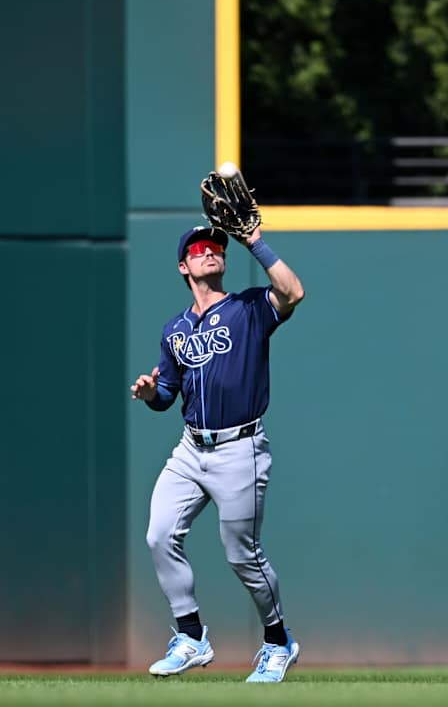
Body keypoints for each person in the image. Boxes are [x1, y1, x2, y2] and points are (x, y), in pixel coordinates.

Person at [130, 223, 305, 682]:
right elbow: (167, 392)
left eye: (216, 247)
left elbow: (293, 291)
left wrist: (254, 243)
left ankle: (277, 641)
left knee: (241, 553)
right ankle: (190, 638)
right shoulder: (176, 330)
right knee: (159, 534)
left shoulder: (248, 307)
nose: (210, 252)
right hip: (191, 448)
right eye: (198, 249)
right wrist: (151, 393)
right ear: (183, 267)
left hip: (239, 448)